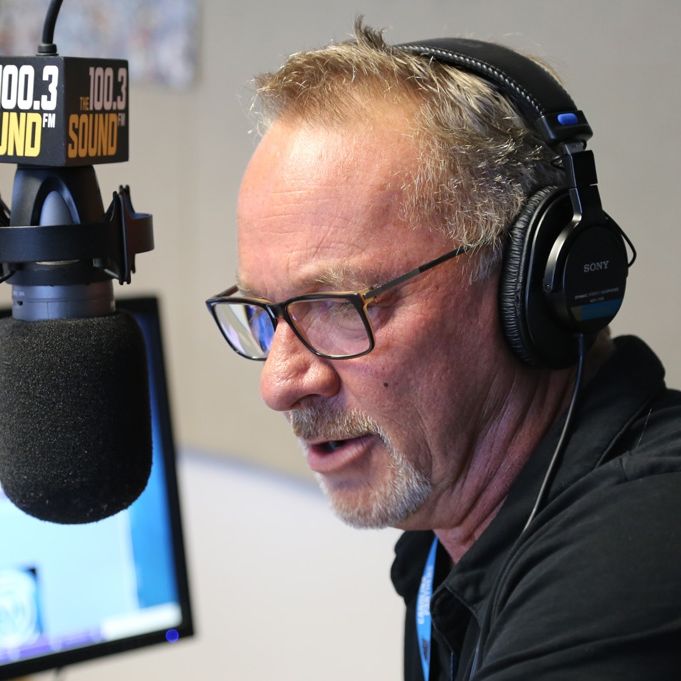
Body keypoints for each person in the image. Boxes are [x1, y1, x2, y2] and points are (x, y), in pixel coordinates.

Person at [206, 21, 681, 681]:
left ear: (524, 287)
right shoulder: (444, 529)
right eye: (265, 312)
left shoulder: (636, 549)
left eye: (339, 305)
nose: (279, 384)